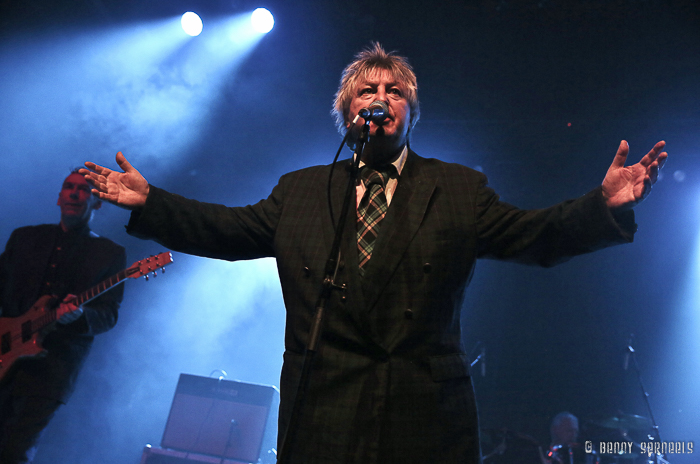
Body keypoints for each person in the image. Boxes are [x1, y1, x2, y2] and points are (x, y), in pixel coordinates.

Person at [80, 43, 667, 464]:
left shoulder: (458, 188)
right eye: (368, 90)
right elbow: (225, 229)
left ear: (410, 113)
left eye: (395, 91)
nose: (381, 98)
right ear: (346, 111)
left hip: (424, 417)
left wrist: (603, 206)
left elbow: (534, 237)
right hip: (324, 414)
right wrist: (151, 202)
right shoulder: (303, 190)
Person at [0, 170, 126, 463]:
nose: (73, 193)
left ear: (97, 202)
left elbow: (108, 315)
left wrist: (81, 316)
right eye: (68, 187)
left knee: (14, 452)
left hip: (51, 368)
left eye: (83, 190)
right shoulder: (25, 238)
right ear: (58, 197)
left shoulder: (109, 254)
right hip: (5, 349)